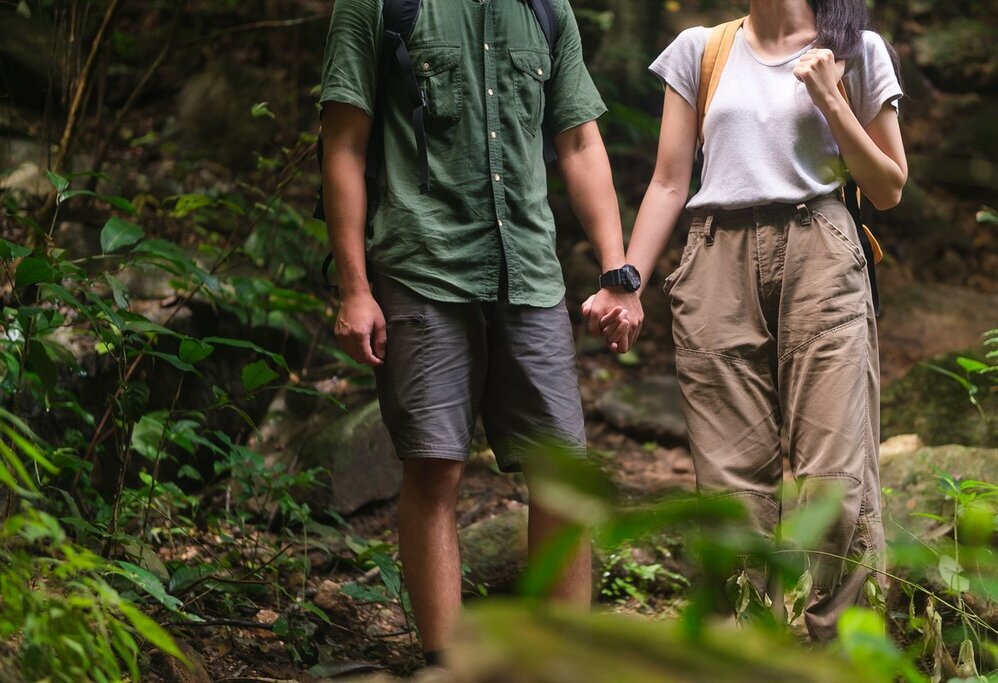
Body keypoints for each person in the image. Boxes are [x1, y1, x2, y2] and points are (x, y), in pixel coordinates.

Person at [318, 0, 639, 664]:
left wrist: (616, 269)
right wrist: (354, 288)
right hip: (421, 264)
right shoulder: (379, 7)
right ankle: (449, 663)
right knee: (435, 467)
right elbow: (344, 144)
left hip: (529, 270)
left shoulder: (546, 10)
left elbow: (579, 140)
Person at [587, 0, 906, 640]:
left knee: (835, 483)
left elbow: (890, 185)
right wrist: (625, 281)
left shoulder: (858, 48)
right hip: (714, 262)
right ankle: (746, 649)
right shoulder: (701, 50)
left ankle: (840, 656)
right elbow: (670, 182)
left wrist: (832, 100)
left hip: (821, 252)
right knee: (732, 491)